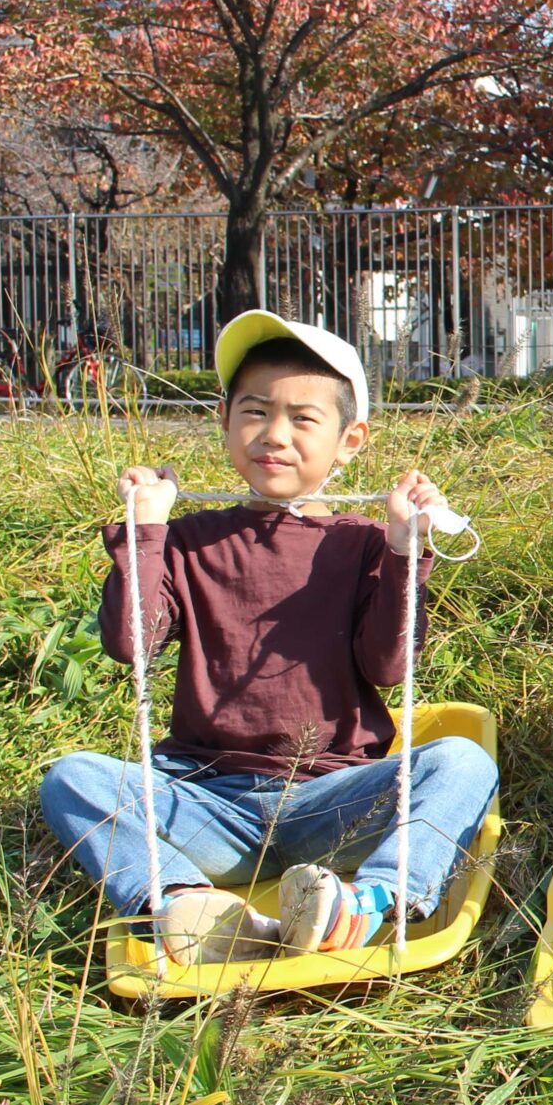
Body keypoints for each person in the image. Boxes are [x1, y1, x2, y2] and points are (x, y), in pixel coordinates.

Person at [38, 311, 498, 963]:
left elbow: (390, 665)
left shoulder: (360, 542)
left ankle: (361, 906)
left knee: (463, 763)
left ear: (350, 439)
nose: (274, 435)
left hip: (330, 805)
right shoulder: (190, 540)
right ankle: (191, 905)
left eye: (303, 419)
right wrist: (145, 533)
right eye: (254, 412)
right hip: (206, 802)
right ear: (225, 418)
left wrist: (402, 549)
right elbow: (129, 645)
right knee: (71, 778)